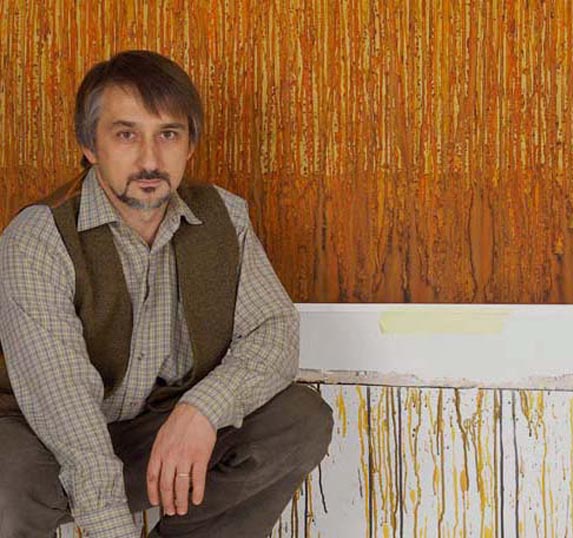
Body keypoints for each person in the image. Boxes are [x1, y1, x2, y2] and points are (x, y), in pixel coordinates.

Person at [0, 50, 333, 538]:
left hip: (152, 439)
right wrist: (111, 527)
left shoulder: (224, 217)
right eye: (126, 135)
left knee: (297, 419)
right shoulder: (37, 239)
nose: (150, 160)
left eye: (168, 135)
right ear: (90, 145)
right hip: (43, 442)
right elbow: (64, 406)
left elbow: (275, 330)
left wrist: (201, 411)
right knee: (4, 485)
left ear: (189, 145)